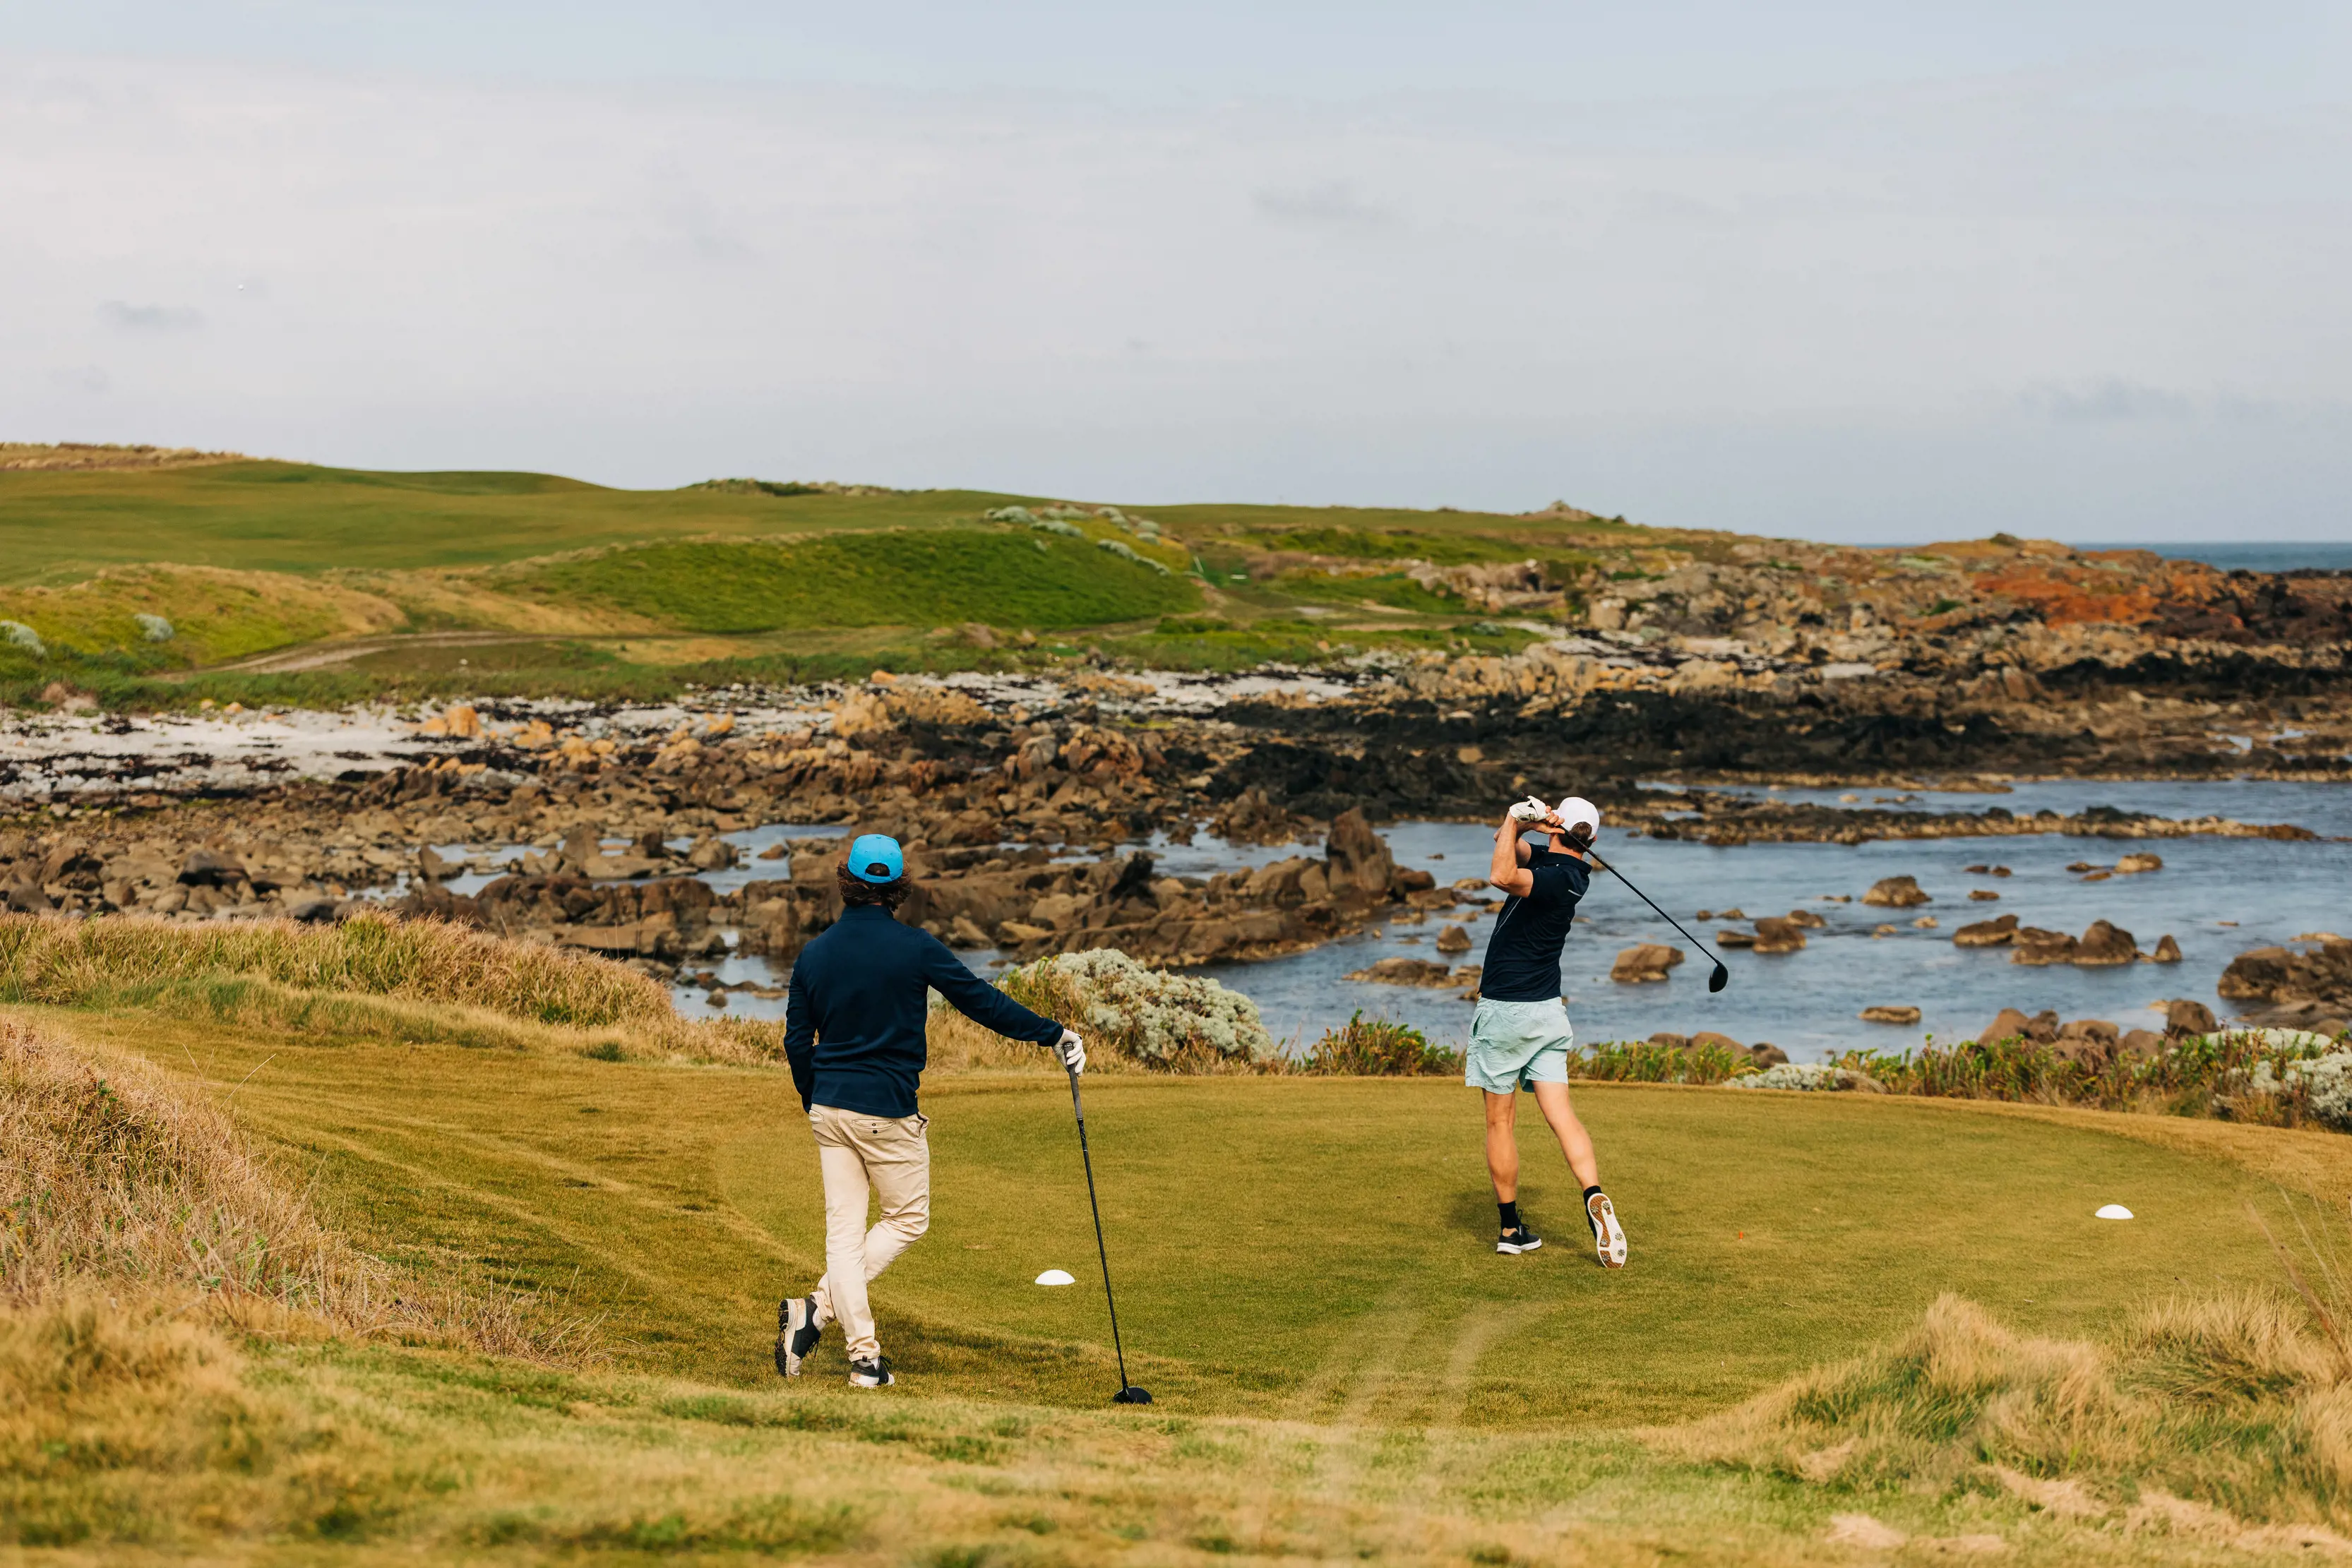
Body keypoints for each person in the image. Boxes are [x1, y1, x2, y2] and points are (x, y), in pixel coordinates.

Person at [777, 833, 1085, 1387]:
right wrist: (1053, 1033)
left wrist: (813, 1098)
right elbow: (981, 1002)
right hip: (888, 1111)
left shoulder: (814, 953)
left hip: (830, 1108)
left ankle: (842, 1338)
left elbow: (798, 1041)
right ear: (897, 888)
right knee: (906, 1218)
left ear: (845, 881)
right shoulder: (916, 946)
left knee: (844, 1236)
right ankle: (835, 1329)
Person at [1469, 795, 1628, 1268]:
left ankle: (1509, 1228)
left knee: (1500, 1122)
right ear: (1591, 839)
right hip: (1547, 1014)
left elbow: (1500, 876)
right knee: (1561, 1116)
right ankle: (1593, 1195)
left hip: (1506, 1010)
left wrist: (1515, 818)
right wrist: (1528, 824)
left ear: (1566, 829)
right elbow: (1506, 844)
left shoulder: (1555, 877)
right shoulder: (1570, 871)